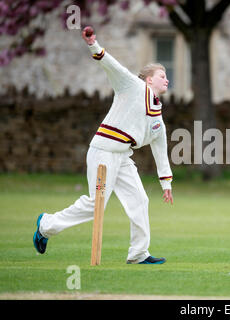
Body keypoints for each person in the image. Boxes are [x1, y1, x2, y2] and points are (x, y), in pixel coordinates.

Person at [33, 27, 174, 265]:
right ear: (149, 80)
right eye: (162, 75)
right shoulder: (132, 86)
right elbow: (112, 65)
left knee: (140, 200)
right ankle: (46, 225)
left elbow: (160, 149)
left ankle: (139, 254)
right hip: (104, 151)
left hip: (123, 157)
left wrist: (166, 182)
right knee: (95, 205)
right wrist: (93, 45)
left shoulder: (157, 116)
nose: (167, 79)